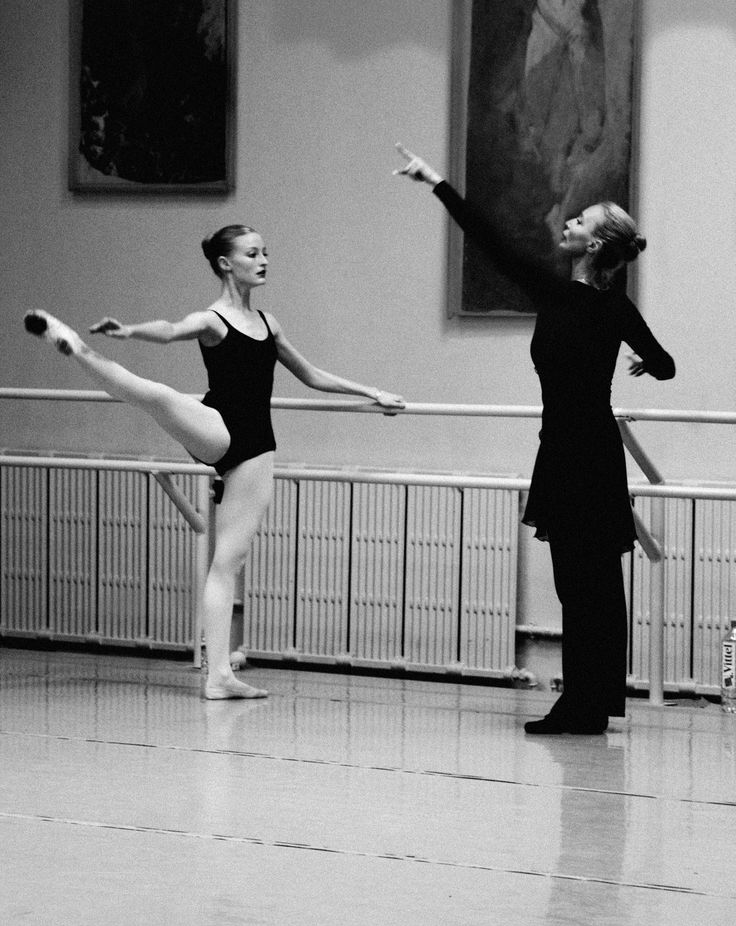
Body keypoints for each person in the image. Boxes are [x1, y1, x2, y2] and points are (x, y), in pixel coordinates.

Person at [25, 223, 404, 700]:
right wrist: (131, 331)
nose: (263, 260)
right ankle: (76, 348)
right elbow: (170, 331)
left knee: (228, 562)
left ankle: (219, 675)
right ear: (226, 263)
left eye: (266, 252)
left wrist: (374, 393)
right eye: (252, 253)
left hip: (257, 446)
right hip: (217, 427)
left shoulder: (270, 323)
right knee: (157, 395)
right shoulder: (213, 320)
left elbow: (311, 375)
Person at [393, 143, 675, 735]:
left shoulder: (560, 296)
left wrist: (438, 183)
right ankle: (595, 702)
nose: (567, 222)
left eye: (579, 221)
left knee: (578, 582)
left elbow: (492, 243)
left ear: (593, 245)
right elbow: (666, 362)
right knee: (598, 581)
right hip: (594, 449)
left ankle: (580, 705)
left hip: (570, 453)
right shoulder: (614, 305)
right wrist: (644, 364)